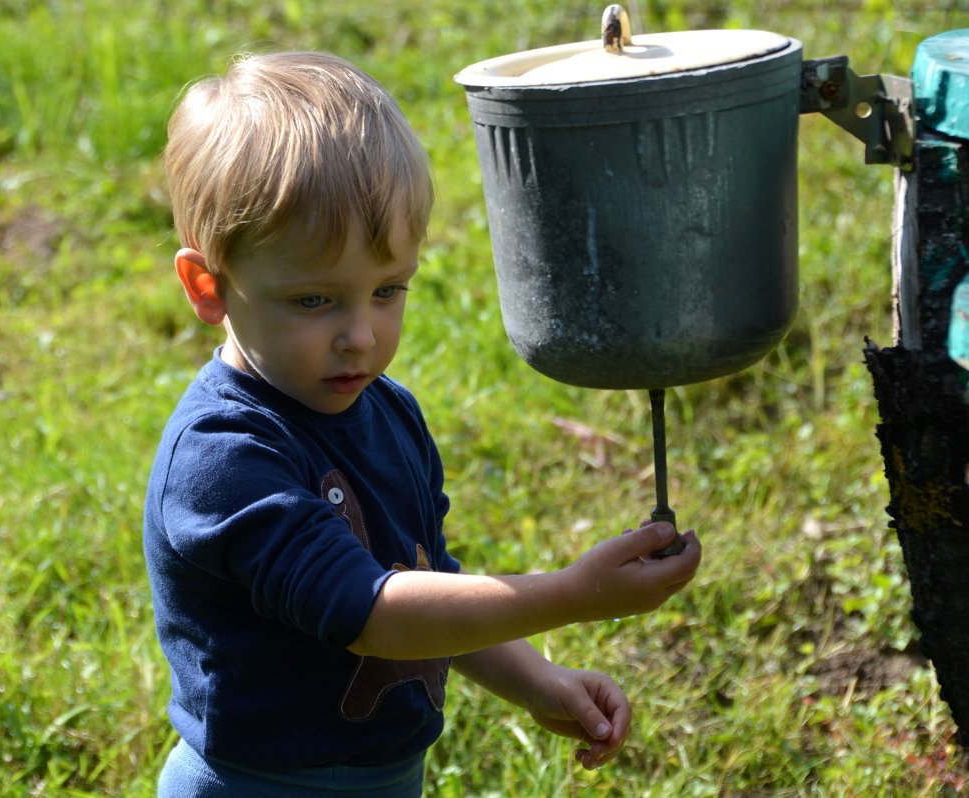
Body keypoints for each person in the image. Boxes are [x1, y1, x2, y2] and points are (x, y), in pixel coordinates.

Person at [144, 50, 702, 797]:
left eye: (387, 289)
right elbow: (378, 616)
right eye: (315, 300)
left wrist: (537, 679)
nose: (361, 335)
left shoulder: (388, 412)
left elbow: (428, 589)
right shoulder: (222, 459)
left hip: (388, 777)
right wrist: (572, 594)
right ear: (208, 286)